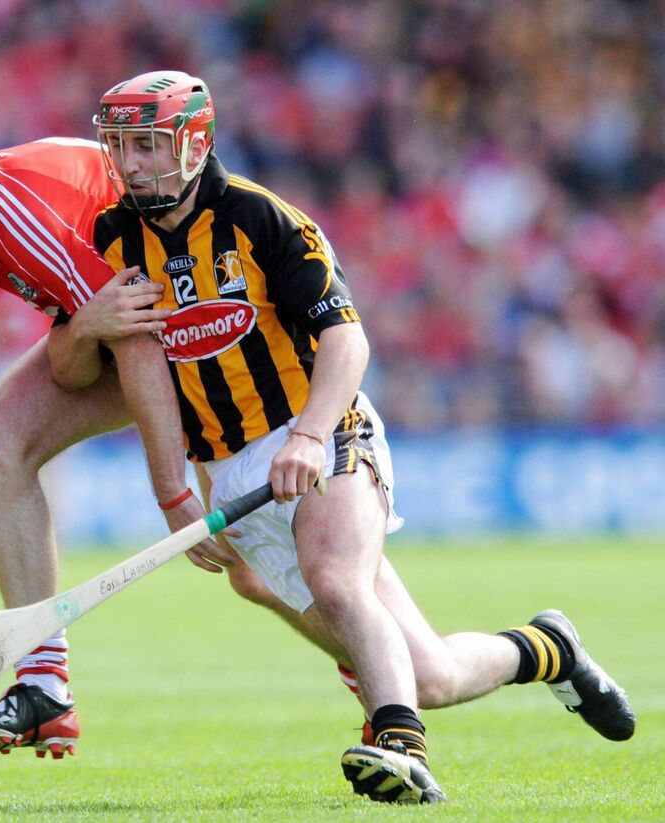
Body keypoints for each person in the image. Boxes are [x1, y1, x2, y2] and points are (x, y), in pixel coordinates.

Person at [42, 69, 634, 803]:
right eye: (119, 146)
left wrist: (310, 436)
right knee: (430, 675)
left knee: (335, 578)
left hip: (321, 428)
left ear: (194, 144)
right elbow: (90, 371)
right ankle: (549, 649)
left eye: (146, 145)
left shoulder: (262, 219)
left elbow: (347, 342)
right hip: (227, 467)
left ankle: (399, 744)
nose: (128, 164)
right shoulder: (114, 237)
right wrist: (166, 479)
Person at [0, 113, 233, 759]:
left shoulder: (26, 211)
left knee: (251, 575)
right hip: (115, 319)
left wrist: (171, 495)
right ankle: (43, 688)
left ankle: (388, 688)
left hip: (191, 318)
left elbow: (136, 333)